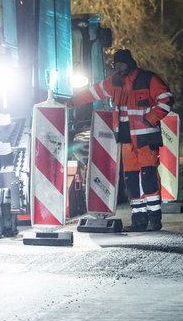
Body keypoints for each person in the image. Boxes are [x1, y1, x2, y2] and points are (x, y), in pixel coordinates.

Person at [71, 49, 173, 232]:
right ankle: (139, 220)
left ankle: (154, 219)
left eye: (121, 63)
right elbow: (94, 92)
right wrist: (72, 102)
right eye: (115, 64)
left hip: (145, 139)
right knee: (132, 181)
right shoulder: (114, 82)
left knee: (148, 177)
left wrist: (150, 118)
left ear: (130, 63)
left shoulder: (148, 79)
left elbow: (166, 99)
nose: (118, 67)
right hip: (126, 141)